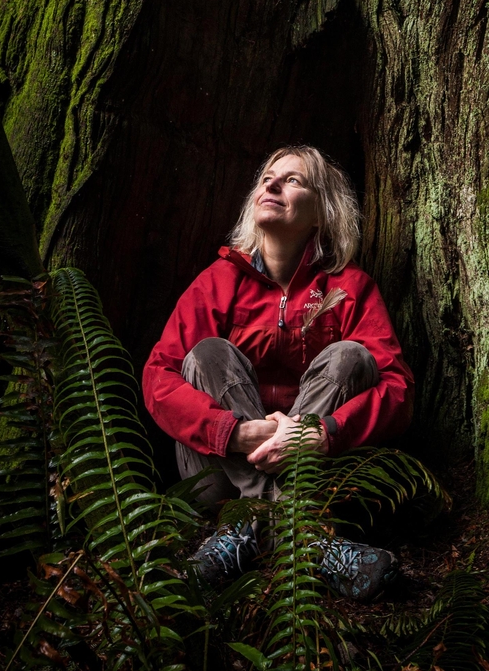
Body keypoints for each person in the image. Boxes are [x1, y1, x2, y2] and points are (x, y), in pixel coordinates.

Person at [142, 146, 414, 600]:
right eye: (268, 177)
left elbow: (397, 389)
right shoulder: (218, 281)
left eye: (292, 180)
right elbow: (158, 377)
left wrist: (322, 433)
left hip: (318, 470)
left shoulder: (350, 288)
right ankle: (306, 538)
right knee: (208, 353)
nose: (271, 184)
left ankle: (252, 533)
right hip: (217, 473)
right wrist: (233, 432)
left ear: (322, 212)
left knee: (351, 355)